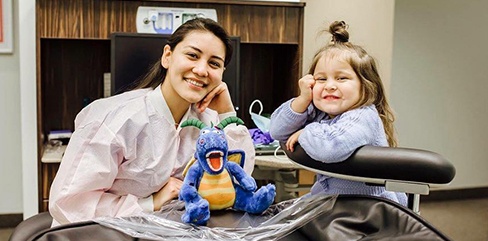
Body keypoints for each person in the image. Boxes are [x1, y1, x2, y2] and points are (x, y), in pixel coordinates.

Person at [48, 18, 255, 226]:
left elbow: (236, 183)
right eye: (193, 55)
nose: (202, 70)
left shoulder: (209, 122)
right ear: (167, 56)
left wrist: (227, 113)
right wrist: (150, 203)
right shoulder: (114, 119)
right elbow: (70, 205)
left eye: (214, 64)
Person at [269, 21, 407, 206]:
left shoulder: (362, 115)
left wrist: (305, 131)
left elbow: (330, 147)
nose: (330, 85)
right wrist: (302, 100)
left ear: (365, 87)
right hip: (330, 204)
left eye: (342, 78)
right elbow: (277, 131)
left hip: (366, 212)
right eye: (321, 79)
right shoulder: (323, 114)